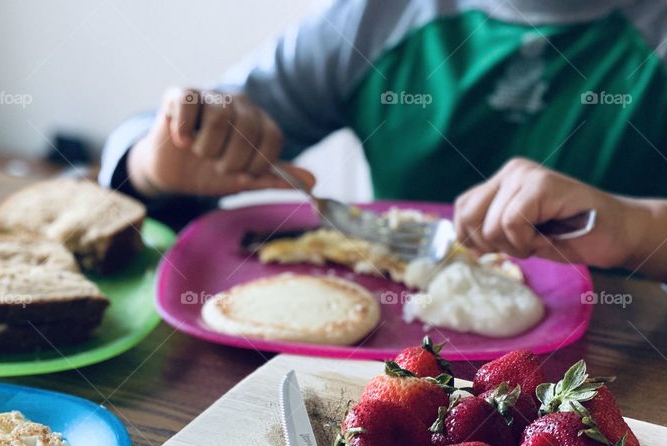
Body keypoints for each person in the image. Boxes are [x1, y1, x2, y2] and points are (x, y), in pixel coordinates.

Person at [99, 0, 667, 278]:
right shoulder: (379, 15)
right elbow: (159, 140)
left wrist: (639, 230)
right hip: (394, 364)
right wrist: (155, 166)